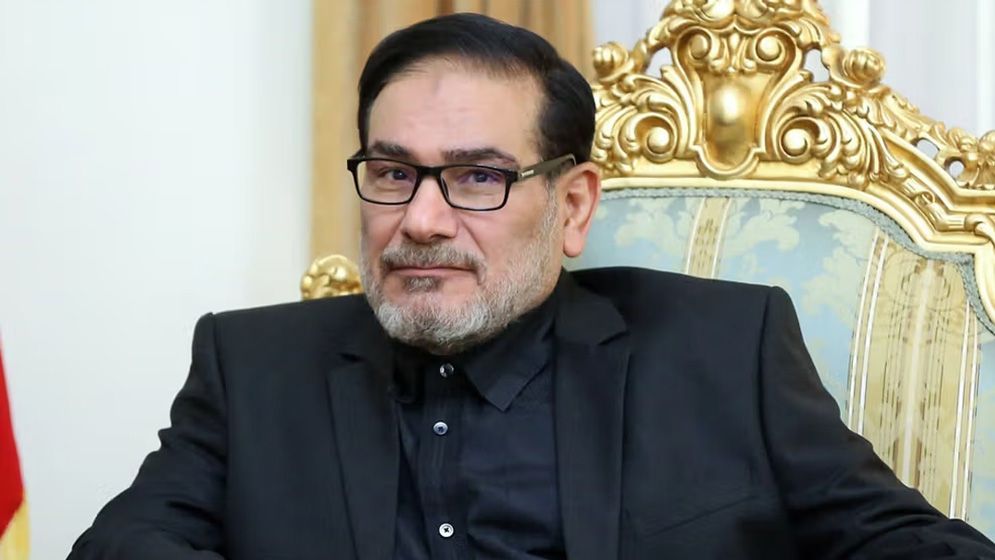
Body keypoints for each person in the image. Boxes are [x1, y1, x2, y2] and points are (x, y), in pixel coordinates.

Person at [69, 13, 995, 560]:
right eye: (392, 173)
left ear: (572, 204)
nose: (421, 219)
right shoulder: (252, 366)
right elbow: (123, 547)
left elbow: (905, 545)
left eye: (477, 177)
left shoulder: (722, 350)